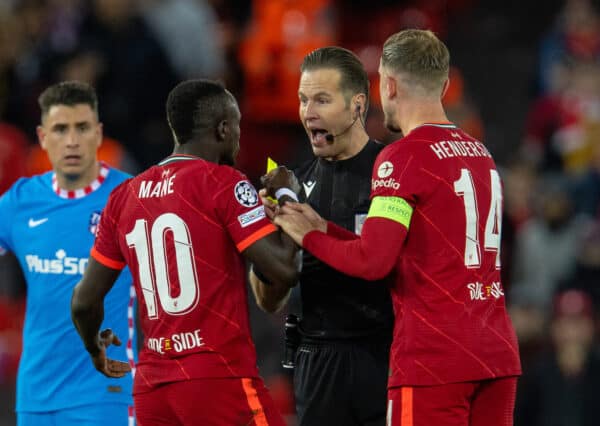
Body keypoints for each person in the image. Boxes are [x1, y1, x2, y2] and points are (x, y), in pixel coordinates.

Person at [267, 29, 522, 426]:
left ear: (386, 84)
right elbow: (406, 247)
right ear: (444, 84)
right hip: (496, 355)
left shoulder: (400, 157)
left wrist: (310, 236)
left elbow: (373, 261)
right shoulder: (480, 153)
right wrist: (325, 228)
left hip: (435, 361)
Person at [71, 79, 301, 425]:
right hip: (217, 377)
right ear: (223, 129)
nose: (240, 137)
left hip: (153, 388)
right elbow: (284, 269)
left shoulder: (123, 197)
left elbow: (84, 302)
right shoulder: (223, 182)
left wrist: (93, 348)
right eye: (237, 126)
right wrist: (287, 196)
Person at [250, 46, 393, 426]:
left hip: (388, 357)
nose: (308, 112)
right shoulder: (292, 187)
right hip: (317, 362)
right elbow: (268, 301)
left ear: (357, 105)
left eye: (322, 100)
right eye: (302, 100)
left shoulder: (393, 175)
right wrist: (266, 243)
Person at [0, 81, 136, 426]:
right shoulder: (21, 201)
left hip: (107, 394)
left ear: (99, 133)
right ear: (43, 137)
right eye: (61, 129)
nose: (72, 140)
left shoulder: (131, 198)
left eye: (82, 127)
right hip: (35, 396)